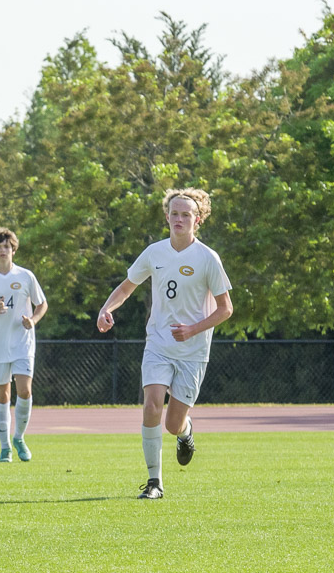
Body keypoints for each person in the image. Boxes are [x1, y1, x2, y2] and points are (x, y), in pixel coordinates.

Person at [97, 189, 233, 500]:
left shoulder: (208, 258)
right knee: (151, 406)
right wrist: (107, 308)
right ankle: (154, 482)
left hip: (193, 351)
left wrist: (193, 329)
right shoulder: (154, 253)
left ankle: (185, 433)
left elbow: (226, 309)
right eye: (174, 213)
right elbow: (128, 285)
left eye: (186, 214)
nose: (179, 219)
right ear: (167, 217)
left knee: (173, 423)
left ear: (197, 220)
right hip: (158, 343)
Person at [0, 228, 48, 463]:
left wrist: (32, 320)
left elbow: (41, 304)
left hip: (23, 343)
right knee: (2, 396)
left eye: (7, 246)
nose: (3, 250)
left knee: (24, 391)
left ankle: (19, 438)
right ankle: (5, 448)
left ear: (13, 250)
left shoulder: (25, 276)